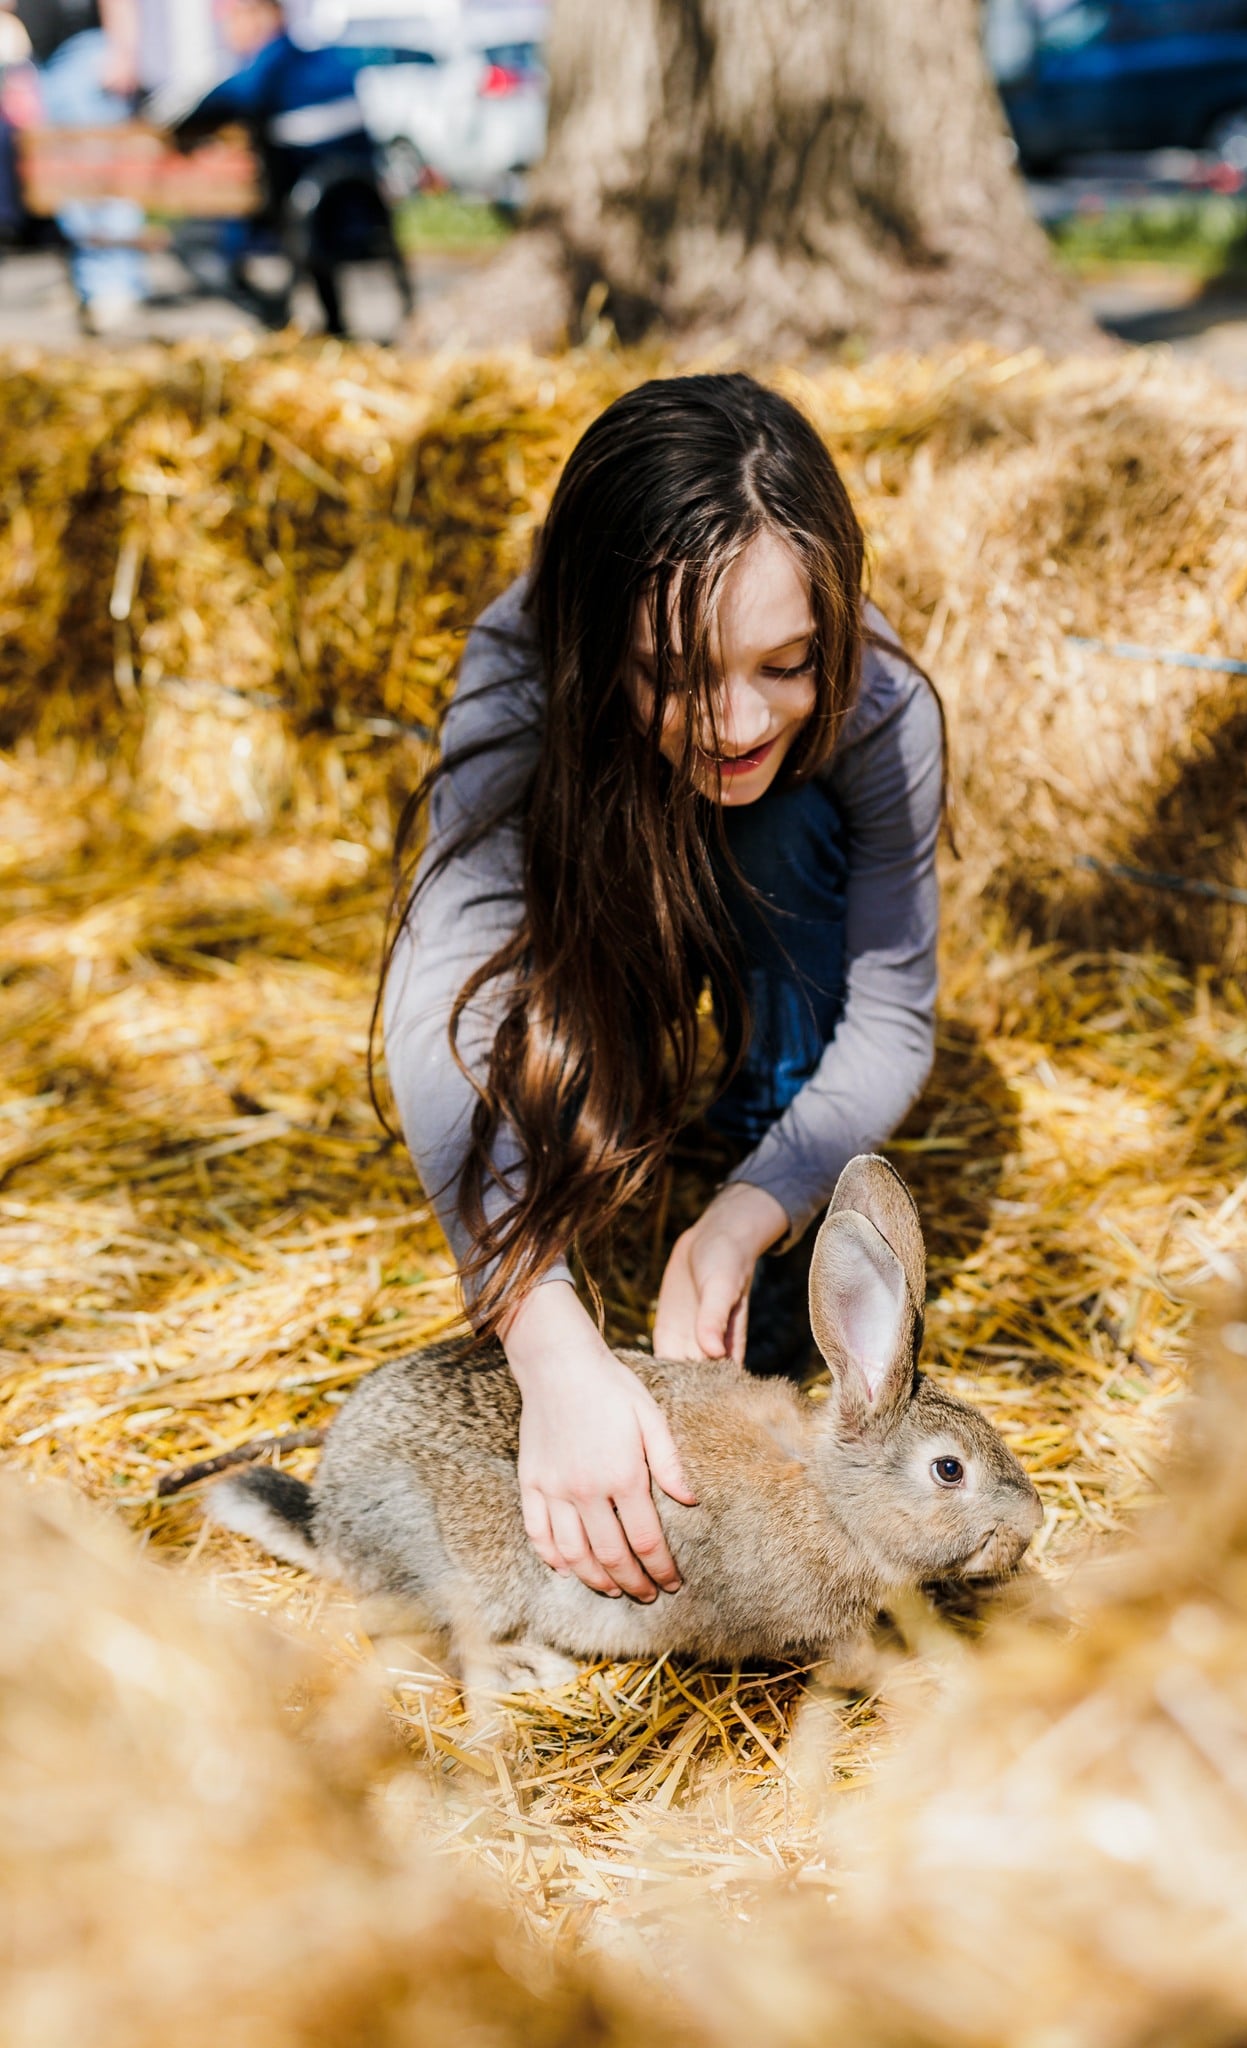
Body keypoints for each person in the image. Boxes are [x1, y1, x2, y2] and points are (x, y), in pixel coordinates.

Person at [382, 374, 943, 1611]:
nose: (737, 719)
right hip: (611, 905)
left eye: (785, 662)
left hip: (765, 920)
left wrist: (753, 1207)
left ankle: (746, 1163)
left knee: (781, 821)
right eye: (675, 673)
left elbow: (895, 1006)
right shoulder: (523, 679)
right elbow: (441, 1015)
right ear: (595, 647)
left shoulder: (882, 702)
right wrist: (547, 1342)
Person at [165, 0, 402, 335]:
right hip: (361, 210)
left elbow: (208, 108)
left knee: (191, 240)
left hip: (311, 217)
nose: (228, 30)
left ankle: (275, 318)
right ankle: (331, 325)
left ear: (266, 17)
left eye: (233, 19)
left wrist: (180, 132)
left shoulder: (271, 67)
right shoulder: (330, 61)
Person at [1, 0, 146, 327]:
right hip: (42, 58)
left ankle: (115, 286)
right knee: (64, 180)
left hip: (85, 50)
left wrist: (123, 51)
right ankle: (88, 285)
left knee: (100, 173)